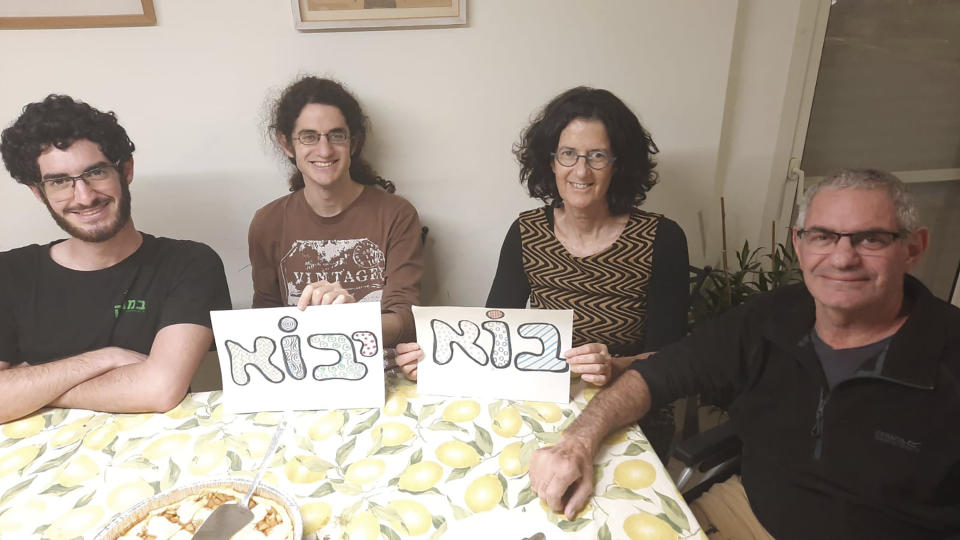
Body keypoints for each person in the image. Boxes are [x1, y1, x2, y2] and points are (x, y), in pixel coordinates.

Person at [528, 169, 960, 540]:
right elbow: (660, 373)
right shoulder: (773, 315)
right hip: (744, 516)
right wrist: (577, 442)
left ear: (913, 249)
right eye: (823, 236)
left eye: (871, 239)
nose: (843, 258)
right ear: (799, 244)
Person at [398, 87, 689, 456]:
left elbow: (672, 359)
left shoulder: (662, 238)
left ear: (619, 163)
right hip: (544, 402)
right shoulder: (527, 232)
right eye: (568, 154)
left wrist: (614, 367)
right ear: (551, 162)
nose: (580, 171)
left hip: (631, 414)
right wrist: (435, 362)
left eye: (597, 156)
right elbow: (495, 333)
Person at [0, 95, 231, 424]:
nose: (84, 196)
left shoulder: (190, 263)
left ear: (126, 170)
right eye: (59, 181)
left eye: (94, 173)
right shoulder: (8, 274)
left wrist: (31, 387)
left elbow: (159, 389)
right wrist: (103, 359)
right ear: (39, 193)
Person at [248, 76, 423, 349]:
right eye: (309, 137)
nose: (325, 149)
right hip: (302, 375)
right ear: (286, 143)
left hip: (382, 374)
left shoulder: (396, 214)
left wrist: (350, 319)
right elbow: (265, 317)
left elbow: (407, 319)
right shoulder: (267, 222)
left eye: (336, 135)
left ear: (353, 142)